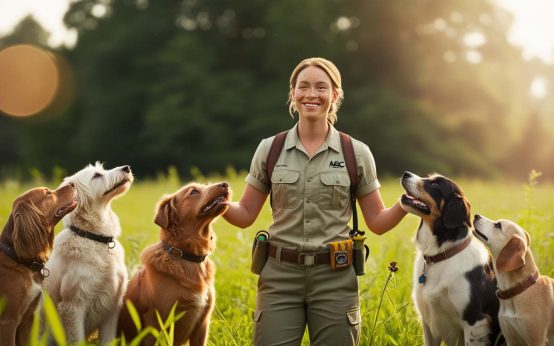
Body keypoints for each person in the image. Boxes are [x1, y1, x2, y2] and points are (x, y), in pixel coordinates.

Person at [222, 57, 407, 345]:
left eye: (321, 87)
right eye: (303, 86)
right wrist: (213, 201)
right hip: (279, 277)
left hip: (335, 279)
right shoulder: (269, 149)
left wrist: (408, 203)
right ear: (293, 94)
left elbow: (378, 222)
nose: (311, 94)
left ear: (335, 95)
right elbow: (245, 213)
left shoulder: (355, 153)